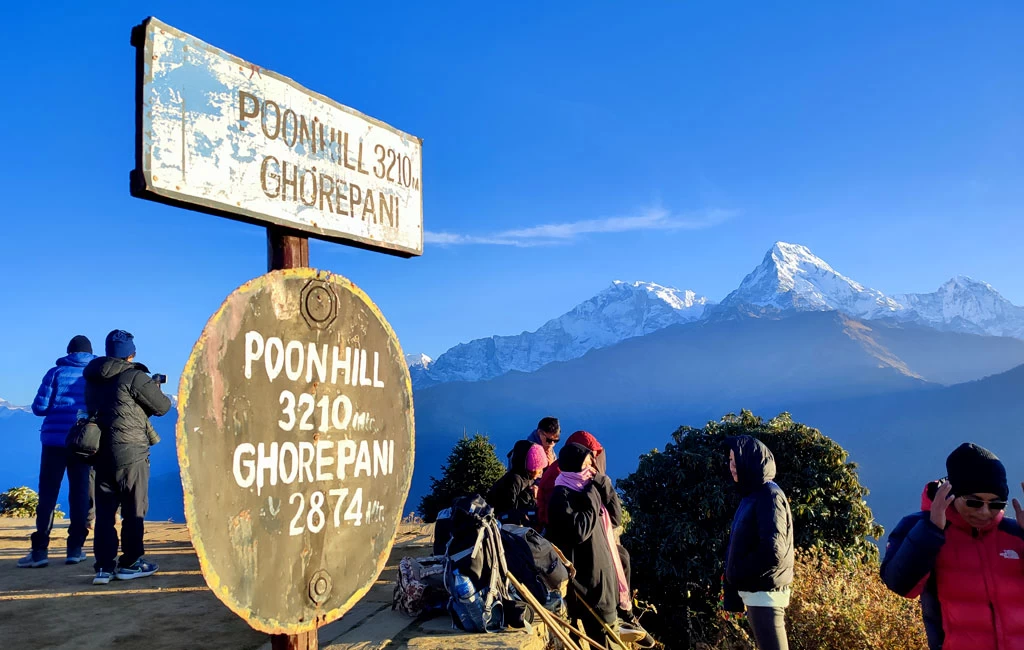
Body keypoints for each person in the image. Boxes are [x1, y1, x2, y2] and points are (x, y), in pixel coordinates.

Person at [880, 443, 1024, 650]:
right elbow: (901, 585)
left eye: (996, 504)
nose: (985, 512)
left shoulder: (1014, 532)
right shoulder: (919, 528)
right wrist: (931, 531)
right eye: (974, 502)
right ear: (952, 494)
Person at [85, 330, 171, 585]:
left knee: (105, 512)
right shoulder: (134, 376)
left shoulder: (92, 376)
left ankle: (103, 567)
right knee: (134, 508)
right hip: (131, 452)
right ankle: (131, 563)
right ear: (131, 353)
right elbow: (163, 407)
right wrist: (151, 387)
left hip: (99, 451)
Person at [546, 442, 644, 648]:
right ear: (573, 465)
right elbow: (579, 531)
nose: (591, 467)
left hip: (604, 574)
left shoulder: (587, 487)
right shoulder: (561, 496)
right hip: (586, 581)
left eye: (592, 462)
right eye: (586, 463)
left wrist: (605, 487)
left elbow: (615, 519)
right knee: (599, 637)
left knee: (607, 634)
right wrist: (592, 495)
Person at [17, 335, 97, 568]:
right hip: (83, 442)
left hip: (53, 442)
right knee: (80, 493)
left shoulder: (55, 373)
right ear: (90, 353)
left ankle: (40, 551)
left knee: (48, 494)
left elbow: (39, 408)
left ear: (69, 351)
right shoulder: (94, 374)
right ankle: (75, 548)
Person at [723, 435, 794, 650]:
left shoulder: (768, 496)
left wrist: (738, 571)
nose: (732, 467)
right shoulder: (754, 495)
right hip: (757, 594)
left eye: (736, 461)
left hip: (766, 594)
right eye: (730, 461)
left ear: (750, 461)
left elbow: (774, 550)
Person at [486, 440, 546, 528]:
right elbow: (508, 510)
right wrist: (532, 497)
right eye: (538, 469)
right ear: (530, 467)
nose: (540, 473)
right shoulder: (513, 481)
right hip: (500, 525)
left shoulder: (528, 478)